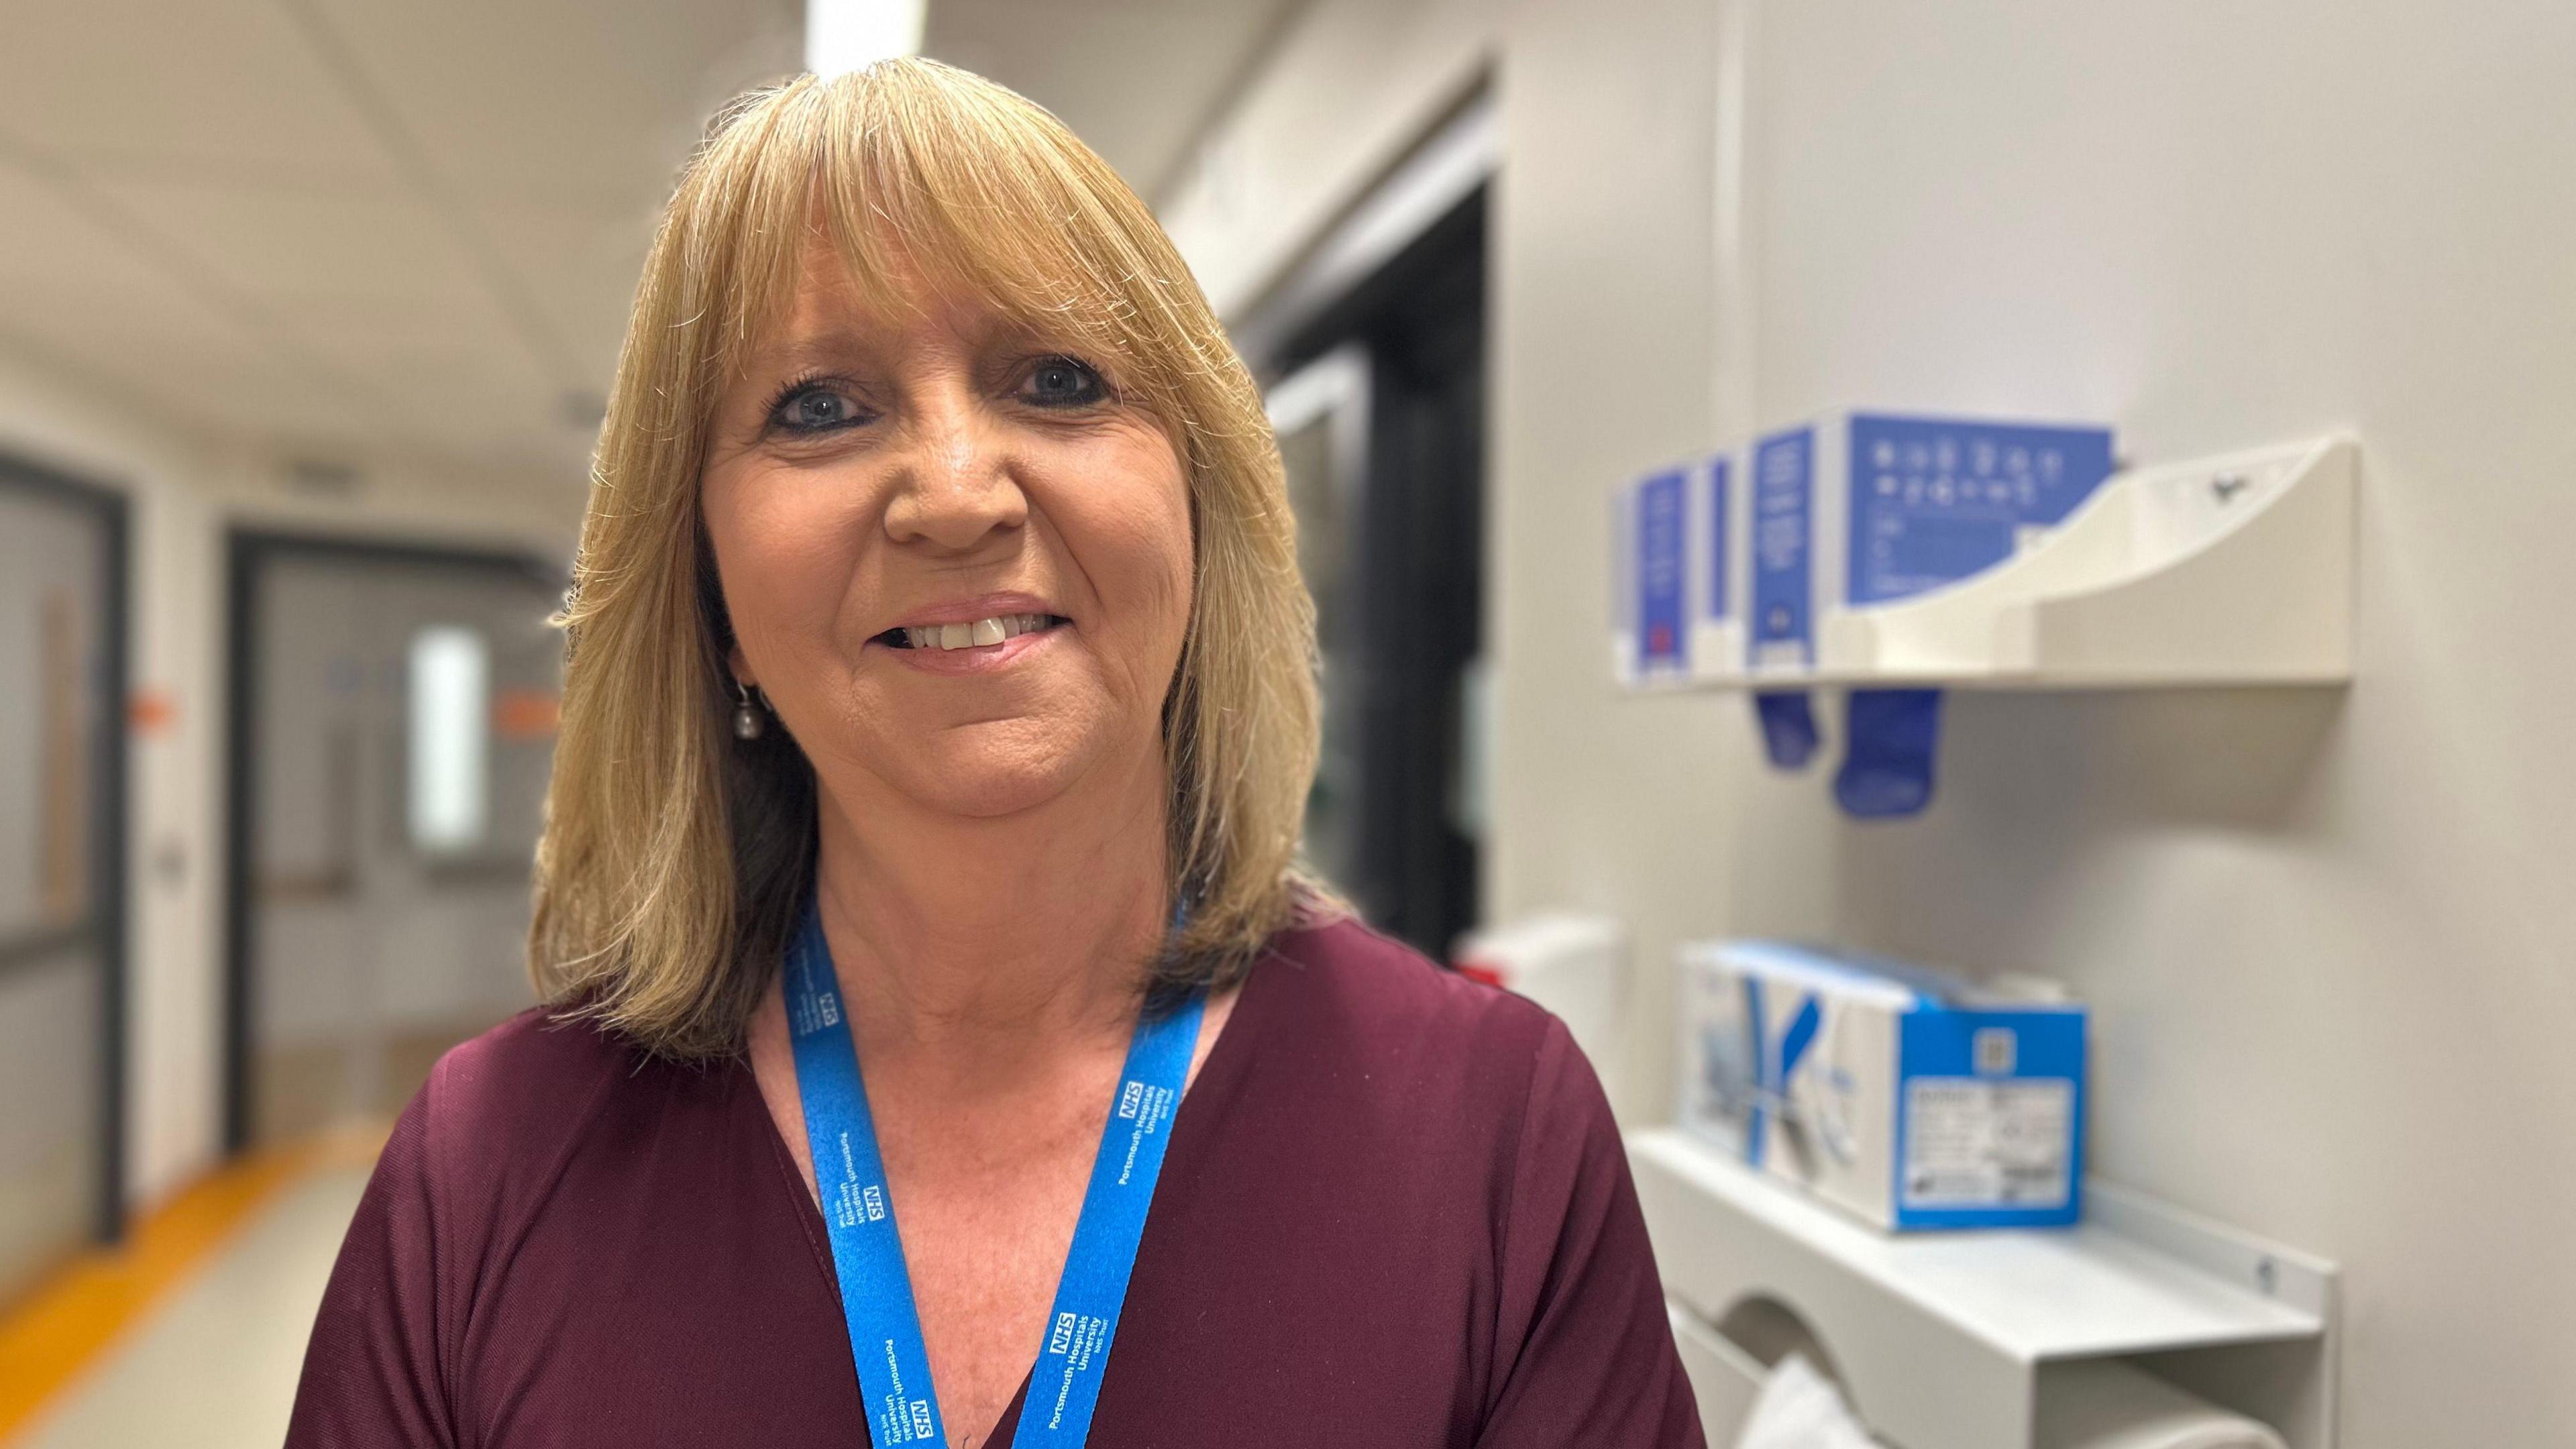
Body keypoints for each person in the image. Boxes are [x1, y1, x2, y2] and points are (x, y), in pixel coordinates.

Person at [286, 58, 1703, 1448]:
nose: (955, 496)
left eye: (1060, 378)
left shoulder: (1495, 1132)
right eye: (820, 407)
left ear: (1199, 523)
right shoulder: (490, 1165)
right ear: (712, 600)